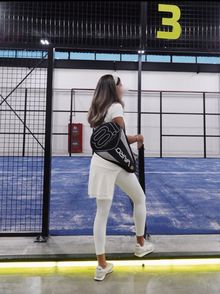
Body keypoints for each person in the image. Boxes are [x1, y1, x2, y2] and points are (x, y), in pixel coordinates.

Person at [87, 74, 154, 281]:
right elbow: (121, 138)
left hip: (99, 163)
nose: (123, 87)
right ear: (113, 88)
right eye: (121, 84)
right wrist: (139, 138)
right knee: (139, 199)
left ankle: (101, 266)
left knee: (102, 213)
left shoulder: (97, 108)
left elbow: (106, 138)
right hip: (117, 164)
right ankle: (140, 245)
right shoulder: (115, 107)